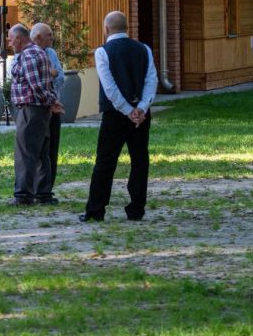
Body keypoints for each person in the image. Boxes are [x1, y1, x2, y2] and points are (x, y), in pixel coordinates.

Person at [80, 11, 158, 223]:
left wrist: (127, 110)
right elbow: (151, 81)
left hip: (114, 114)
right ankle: (136, 210)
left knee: (105, 162)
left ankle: (96, 210)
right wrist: (141, 108)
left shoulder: (103, 52)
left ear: (106, 29)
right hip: (141, 115)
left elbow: (110, 88)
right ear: (127, 28)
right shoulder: (144, 49)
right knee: (140, 160)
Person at [8, 23, 63, 206]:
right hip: (40, 110)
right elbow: (45, 84)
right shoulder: (39, 52)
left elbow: (37, 86)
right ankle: (43, 194)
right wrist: (52, 101)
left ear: (19, 38)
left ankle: (23, 196)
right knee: (41, 153)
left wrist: (50, 101)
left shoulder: (29, 54)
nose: (10, 43)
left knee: (25, 154)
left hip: (31, 110)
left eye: (11, 39)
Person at [31, 22, 65, 189]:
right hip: (38, 109)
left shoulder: (51, 53)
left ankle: (49, 185)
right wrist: (50, 74)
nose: (52, 38)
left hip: (54, 108)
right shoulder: (27, 54)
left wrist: (51, 75)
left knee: (52, 148)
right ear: (38, 37)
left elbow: (61, 77)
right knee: (37, 149)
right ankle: (35, 186)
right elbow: (35, 82)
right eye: (49, 35)